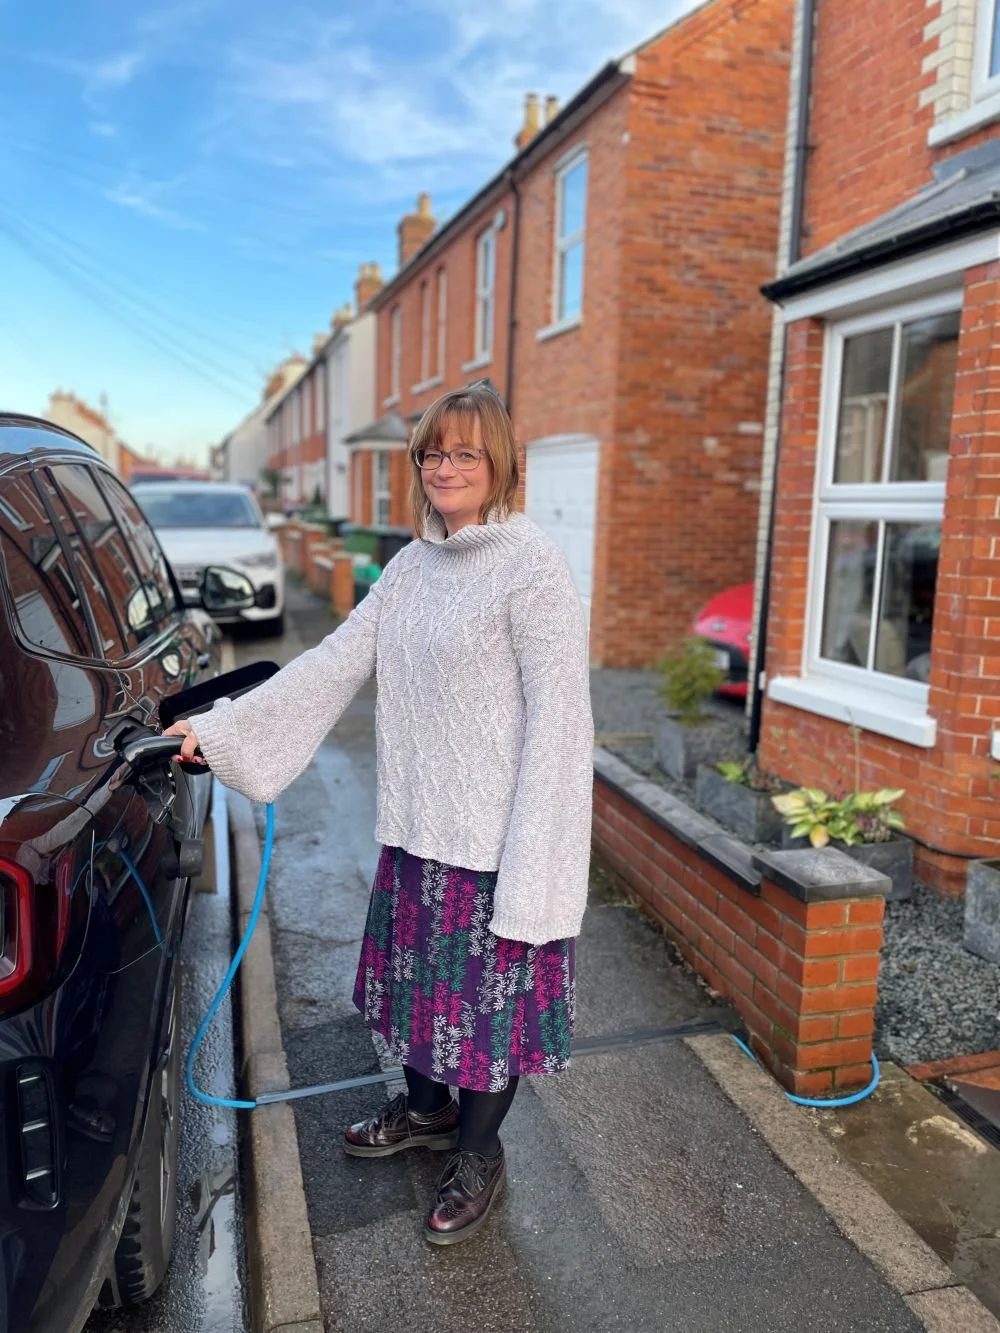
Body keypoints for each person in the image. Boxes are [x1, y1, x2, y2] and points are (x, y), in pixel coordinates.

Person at [165, 380, 594, 1246]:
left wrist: (537, 855)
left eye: (464, 451)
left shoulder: (532, 565)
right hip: (417, 830)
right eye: (433, 452)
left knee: (486, 1015)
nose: (445, 467)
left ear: (501, 462)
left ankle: (478, 1153)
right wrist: (220, 731)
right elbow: (329, 663)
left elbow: (560, 719)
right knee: (421, 994)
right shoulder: (407, 568)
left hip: (496, 840)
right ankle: (427, 1110)